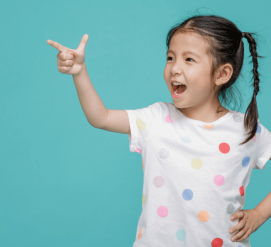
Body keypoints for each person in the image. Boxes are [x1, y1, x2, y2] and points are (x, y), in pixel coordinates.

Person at [47, 14, 271, 247]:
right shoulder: (155, 119)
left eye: (189, 60)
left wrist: (259, 215)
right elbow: (100, 117)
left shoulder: (245, 129)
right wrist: (79, 72)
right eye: (170, 57)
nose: (175, 68)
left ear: (221, 74)